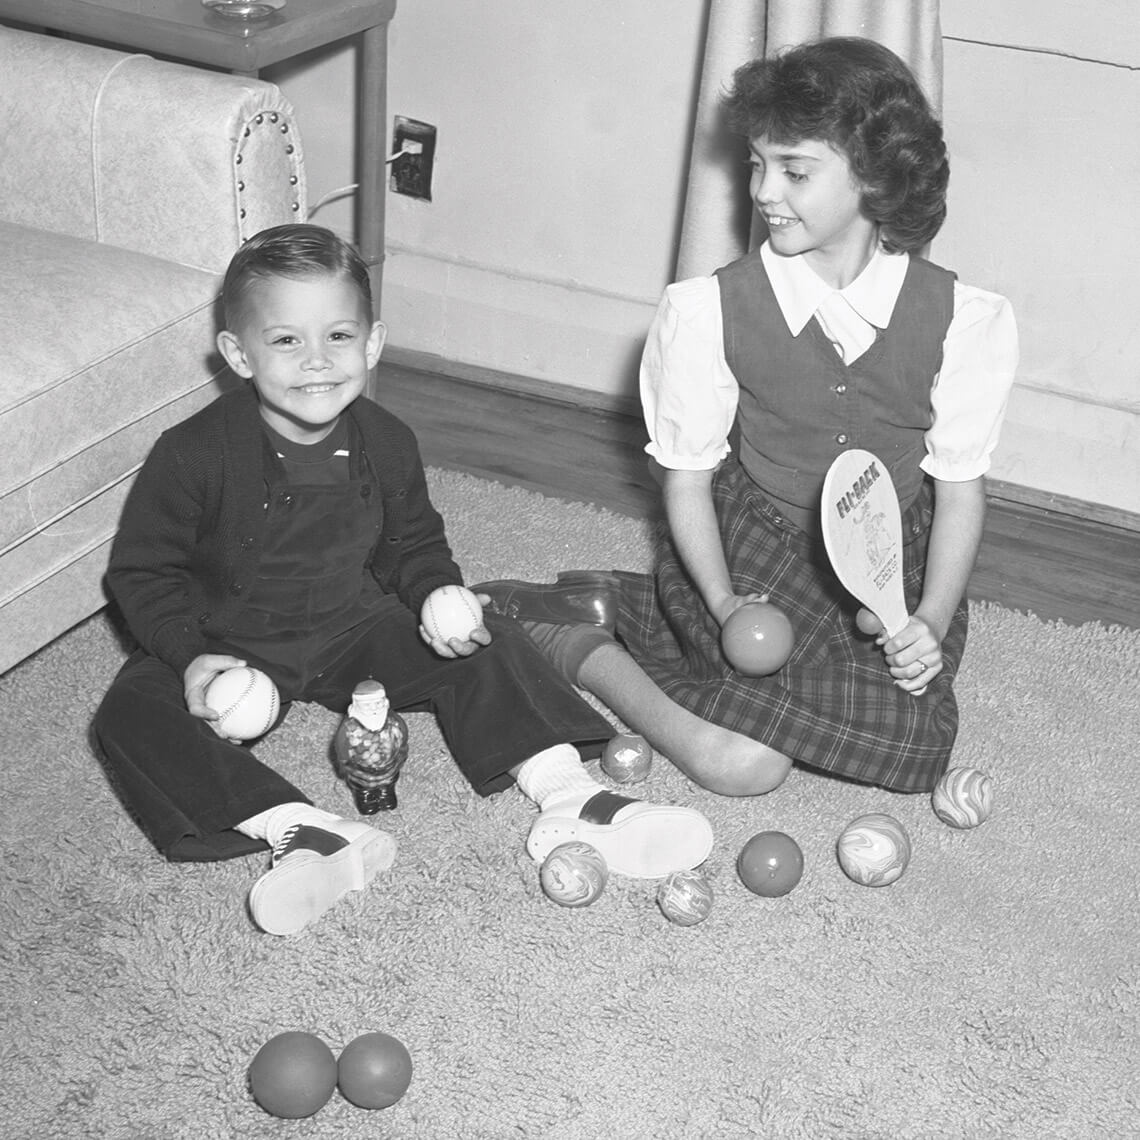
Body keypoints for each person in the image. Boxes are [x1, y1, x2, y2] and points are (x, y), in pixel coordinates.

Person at [93, 224, 713, 937]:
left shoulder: (387, 441)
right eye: (286, 341)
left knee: (490, 637)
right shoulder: (191, 454)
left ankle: (571, 794)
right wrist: (187, 654)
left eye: (339, 336)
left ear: (374, 344)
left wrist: (435, 589)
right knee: (129, 713)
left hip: (352, 624)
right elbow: (140, 573)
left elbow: (412, 545)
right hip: (229, 641)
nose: (318, 362)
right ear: (238, 354)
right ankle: (303, 831)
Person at [475, 37, 1018, 799]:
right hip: (756, 546)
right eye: (758, 163)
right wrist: (725, 601)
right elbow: (687, 483)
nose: (764, 191)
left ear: (875, 175)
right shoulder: (709, 310)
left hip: (886, 557)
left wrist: (927, 617)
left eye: (795, 170)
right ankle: (581, 646)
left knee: (909, 747)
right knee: (745, 766)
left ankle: (620, 606)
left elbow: (960, 490)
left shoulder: (963, 319)